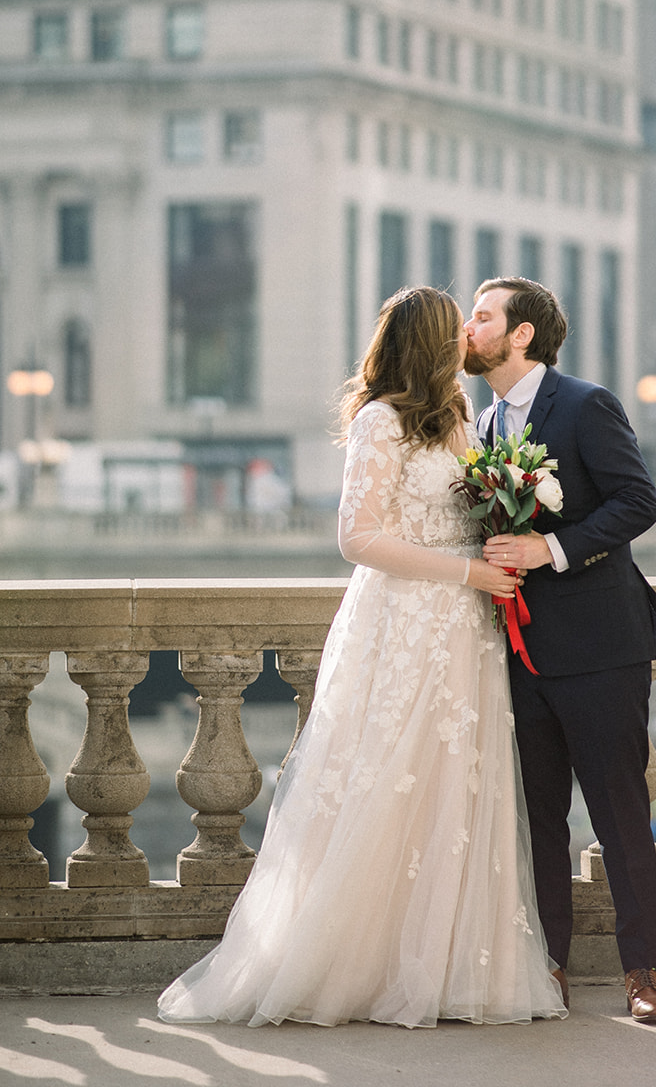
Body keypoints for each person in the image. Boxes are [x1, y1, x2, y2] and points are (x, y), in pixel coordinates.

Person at [159, 286, 566, 1030]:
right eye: (458, 331)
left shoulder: (461, 420)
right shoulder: (380, 421)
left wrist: (502, 538)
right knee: (386, 779)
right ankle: (358, 966)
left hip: (466, 630)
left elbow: (464, 512)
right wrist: (465, 571)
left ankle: (445, 969)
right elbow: (357, 540)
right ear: (431, 344)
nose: (469, 341)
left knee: (457, 784)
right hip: (406, 621)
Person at [465, 277, 656, 1026]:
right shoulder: (483, 421)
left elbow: (637, 501)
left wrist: (549, 549)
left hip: (599, 648)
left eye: (483, 315)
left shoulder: (586, 403)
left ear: (521, 334)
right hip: (518, 655)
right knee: (536, 821)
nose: (469, 326)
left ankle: (643, 973)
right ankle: (547, 968)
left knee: (620, 816)